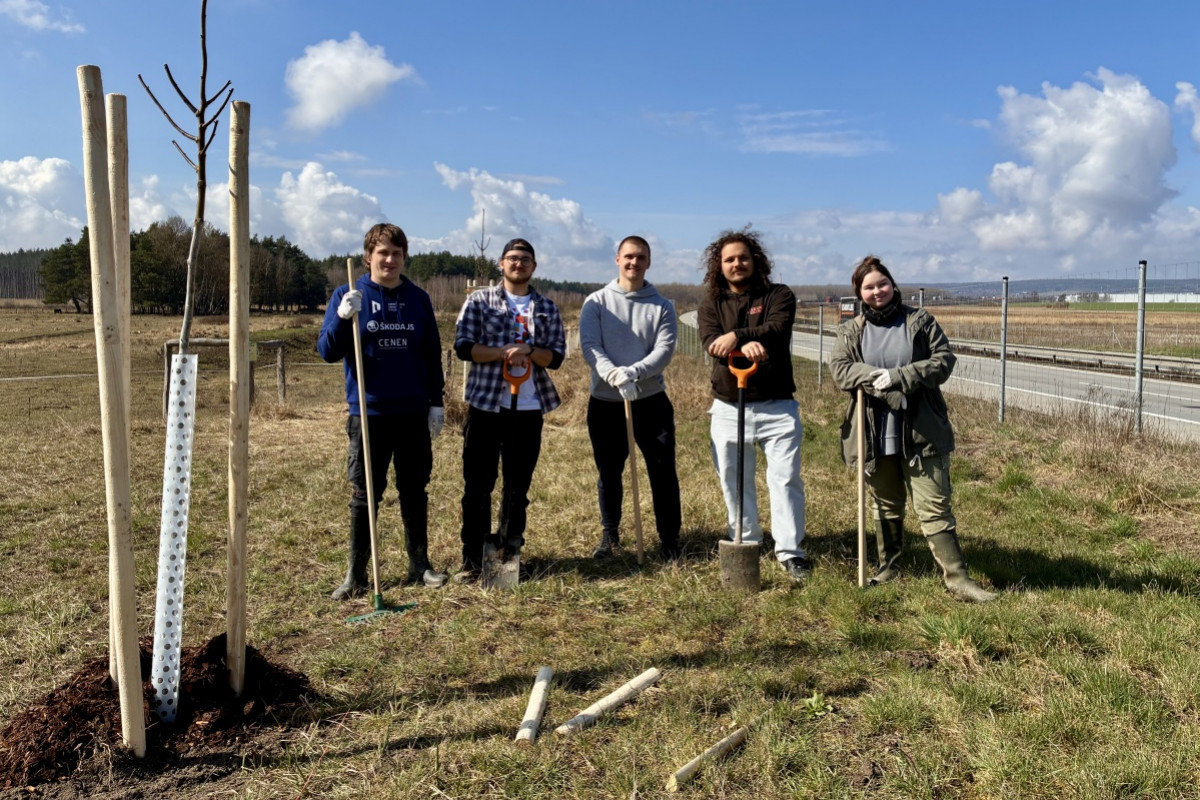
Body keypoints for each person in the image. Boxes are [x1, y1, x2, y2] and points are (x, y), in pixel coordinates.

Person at [829, 255, 996, 602]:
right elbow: (841, 371)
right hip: (874, 431)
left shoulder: (919, 321)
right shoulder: (851, 330)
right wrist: (884, 388)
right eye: (869, 287)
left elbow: (943, 361)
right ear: (859, 293)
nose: (877, 291)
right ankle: (888, 568)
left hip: (922, 430)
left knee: (934, 505)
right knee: (886, 503)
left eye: (882, 283)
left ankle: (958, 579)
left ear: (893, 284)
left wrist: (902, 377)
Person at [317, 222, 448, 599]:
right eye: (383, 253)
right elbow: (327, 351)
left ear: (404, 257)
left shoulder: (418, 299)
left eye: (396, 253)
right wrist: (342, 319)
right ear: (368, 257)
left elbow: (431, 354)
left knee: (414, 488)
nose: (390, 260)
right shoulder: (349, 292)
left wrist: (436, 402)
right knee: (364, 492)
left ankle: (419, 564)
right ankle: (356, 574)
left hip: (412, 413)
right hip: (368, 414)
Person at [697, 228, 810, 581]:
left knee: (785, 477)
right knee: (733, 477)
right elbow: (711, 343)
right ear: (719, 265)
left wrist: (740, 335)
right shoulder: (710, 304)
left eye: (743, 257)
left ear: (755, 260)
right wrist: (739, 345)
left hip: (777, 406)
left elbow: (778, 328)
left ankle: (791, 551)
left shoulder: (778, 294)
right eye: (729, 259)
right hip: (730, 407)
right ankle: (745, 538)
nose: (737, 264)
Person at [453, 237, 567, 581]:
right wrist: (505, 352)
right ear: (501, 264)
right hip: (487, 406)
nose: (519, 264)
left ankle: (509, 552)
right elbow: (464, 348)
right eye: (512, 258)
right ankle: (472, 561)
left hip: (528, 408)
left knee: (517, 488)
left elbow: (556, 358)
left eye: (525, 259)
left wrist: (529, 351)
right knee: (477, 486)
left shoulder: (547, 307)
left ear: (534, 266)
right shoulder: (479, 302)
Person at [579, 235, 682, 561]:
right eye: (628, 256)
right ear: (617, 259)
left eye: (640, 257)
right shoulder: (595, 302)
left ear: (648, 262)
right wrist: (614, 375)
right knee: (609, 473)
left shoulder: (663, 306)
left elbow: (664, 352)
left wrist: (634, 373)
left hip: (651, 401)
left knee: (663, 472)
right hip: (606, 402)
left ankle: (669, 540)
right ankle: (610, 536)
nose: (633, 262)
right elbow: (590, 347)